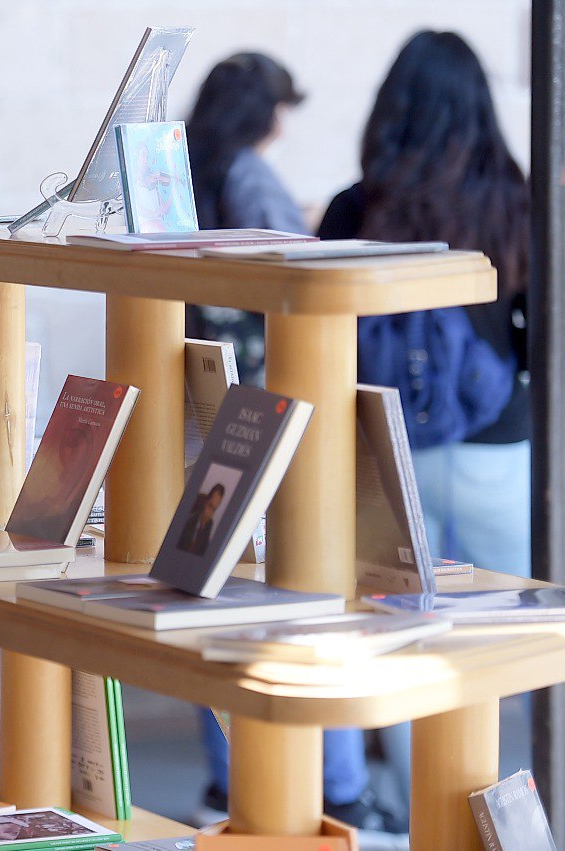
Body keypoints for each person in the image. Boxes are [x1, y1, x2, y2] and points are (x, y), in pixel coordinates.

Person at [184, 53, 406, 842]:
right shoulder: (248, 172)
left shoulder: (182, 168)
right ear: (265, 113)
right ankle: (337, 789)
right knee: (310, 595)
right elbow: (303, 267)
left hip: (200, 407)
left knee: (216, 605)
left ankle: (228, 778)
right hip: (269, 407)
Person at [317, 29, 531, 814]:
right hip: (496, 445)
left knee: (410, 642)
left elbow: (323, 331)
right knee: (533, 634)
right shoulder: (516, 198)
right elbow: (537, 333)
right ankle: (532, 809)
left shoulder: (354, 204)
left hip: (386, 449)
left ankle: (426, 817)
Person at [184, 53, 306, 388]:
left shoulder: (181, 162)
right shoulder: (249, 172)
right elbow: (292, 260)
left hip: (192, 340)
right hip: (252, 356)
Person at [177, 484, 224, 556]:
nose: (210, 514)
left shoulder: (209, 524)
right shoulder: (190, 515)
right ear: (206, 501)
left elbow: (204, 551)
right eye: (210, 506)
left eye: (214, 510)